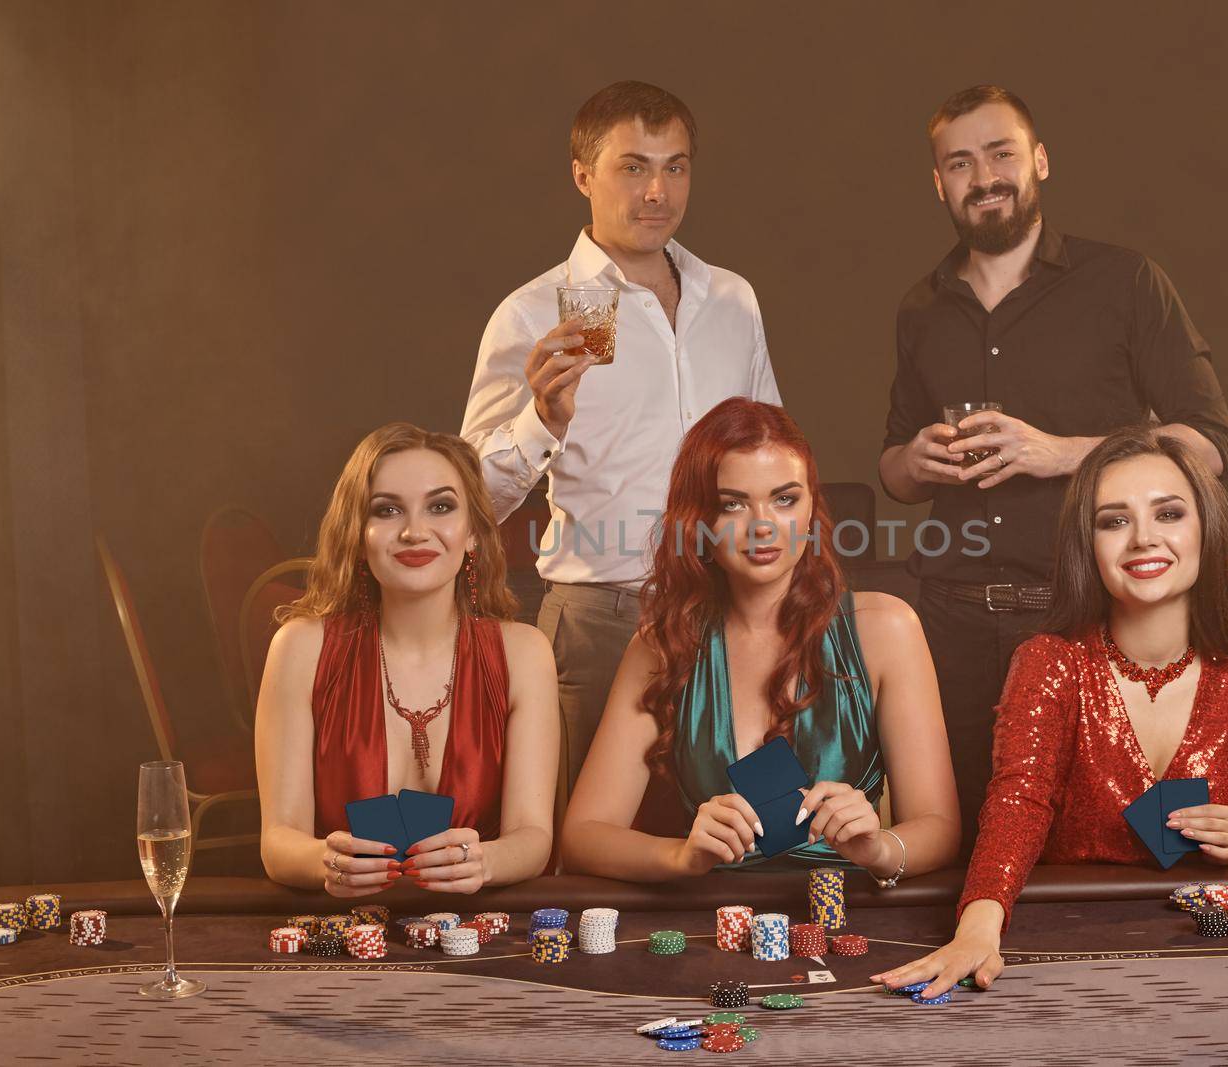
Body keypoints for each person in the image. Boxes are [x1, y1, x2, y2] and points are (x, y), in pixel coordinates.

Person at [878, 85, 1228, 846]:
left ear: (1039, 160)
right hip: (952, 618)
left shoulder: (1127, 282)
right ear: (938, 183)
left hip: (1083, 613)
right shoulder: (921, 308)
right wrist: (913, 459)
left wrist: (1063, 453)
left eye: (1002, 153)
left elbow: (1209, 446)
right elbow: (895, 474)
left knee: (1114, 845)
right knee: (965, 844)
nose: (985, 176)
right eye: (960, 162)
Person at [872, 427, 1228, 997]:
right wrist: (979, 925)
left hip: (1207, 953)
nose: (1143, 539)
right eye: (1114, 521)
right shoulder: (1050, 662)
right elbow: (1019, 802)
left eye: (1168, 514)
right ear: (1087, 545)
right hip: (1068, 942)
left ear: (1207, 530)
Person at [462, 81, 782, 793]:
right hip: (600, 622)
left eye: (675, 166)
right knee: (583, 859)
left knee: (726, 845)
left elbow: (774, 452)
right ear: (583, 175)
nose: (657, 192)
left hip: (729, 611)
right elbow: (468, 501)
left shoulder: (731, 298)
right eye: (633, 166)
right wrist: (541, 418)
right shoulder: (530, 314)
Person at [560, 399, 960, 882]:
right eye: (733, 504)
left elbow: (939, 829)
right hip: (715, 925)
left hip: (848, 917)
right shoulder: (664, 644)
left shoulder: (886, 627)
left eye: (785, 498)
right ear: (698, 521)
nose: (763, 525)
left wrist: (878, 848)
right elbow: (584, 834)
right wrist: (681, 856)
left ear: (812, 506)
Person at [255, 423, 560, 896]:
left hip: (472, 932)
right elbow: (278, 842)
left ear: (474, 533)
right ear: (358, 535)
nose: (415, 531)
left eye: (440, 507)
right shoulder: (301, 647)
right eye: (387, 510)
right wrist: (326, 861)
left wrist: (483, 861)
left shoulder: (524, 653)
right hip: (345, 930)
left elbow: (533, 838)